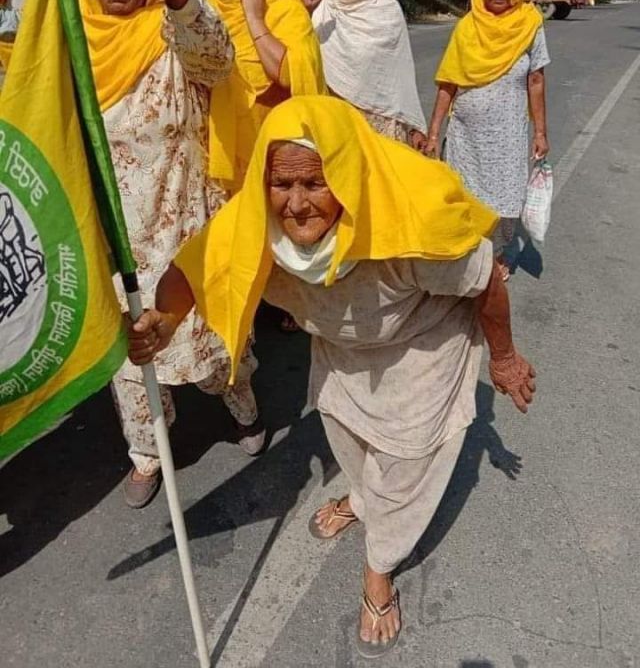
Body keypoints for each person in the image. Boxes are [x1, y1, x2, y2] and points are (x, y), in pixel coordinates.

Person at [126, 95, 537, 657]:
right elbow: (192, 269)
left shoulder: (410, 218)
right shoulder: (256, 224)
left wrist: (504, 358)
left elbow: (485, 280)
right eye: (282, 184)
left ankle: (379, 567)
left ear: (344, 174)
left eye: (315, 183)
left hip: (422, 347)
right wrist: (166, 320)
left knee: (406, 467)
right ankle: (363, 502)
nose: (296, 205)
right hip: (342, 346)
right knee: (346, 435)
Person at [66, 0, 265, 509]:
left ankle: (242, 405)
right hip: (115, 238)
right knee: (132, 360)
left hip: (187, 222)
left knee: (210, 341)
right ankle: (147, 452)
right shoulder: (71, 46)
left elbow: (218, 61)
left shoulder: (169, 26)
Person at [427, 0, 550, 280]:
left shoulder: (530, 25)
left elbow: (536, 80)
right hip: (466, 134)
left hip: (508, 133)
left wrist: (540, 132)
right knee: (465, 194)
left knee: (505, 195)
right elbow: (448, 83)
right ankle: (468, 248)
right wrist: (434, 133)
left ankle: (499, 252)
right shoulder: (467, 27)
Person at [194, 0, 325, 188]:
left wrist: (254, 18)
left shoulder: (285, 10)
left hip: (272, 146)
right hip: (219, 147)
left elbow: (288, 75)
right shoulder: (209, 10)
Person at [302, 0, 428, 152]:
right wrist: (305, 11)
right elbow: (302, 59)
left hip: (380, 126)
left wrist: (413, 125)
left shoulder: (386, 9)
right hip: (333, 122)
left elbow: (399, 76)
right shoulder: (321, 8)